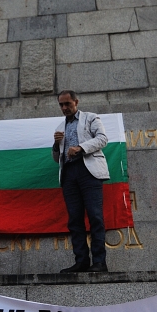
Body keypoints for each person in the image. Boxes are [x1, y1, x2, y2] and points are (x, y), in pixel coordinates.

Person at [52, 90, 109, 273]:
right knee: (75, 220)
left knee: (95, 216)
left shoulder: (91, 118)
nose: (64, 108)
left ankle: (99, 262)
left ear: (76, 102)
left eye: (67, 104)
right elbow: (56, 158)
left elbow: (102, 139)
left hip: (89, 172)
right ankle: (81, 261)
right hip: (69, 174)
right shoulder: (60, 127)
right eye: (61, 105)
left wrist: (80, 148)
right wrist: (55, 145)